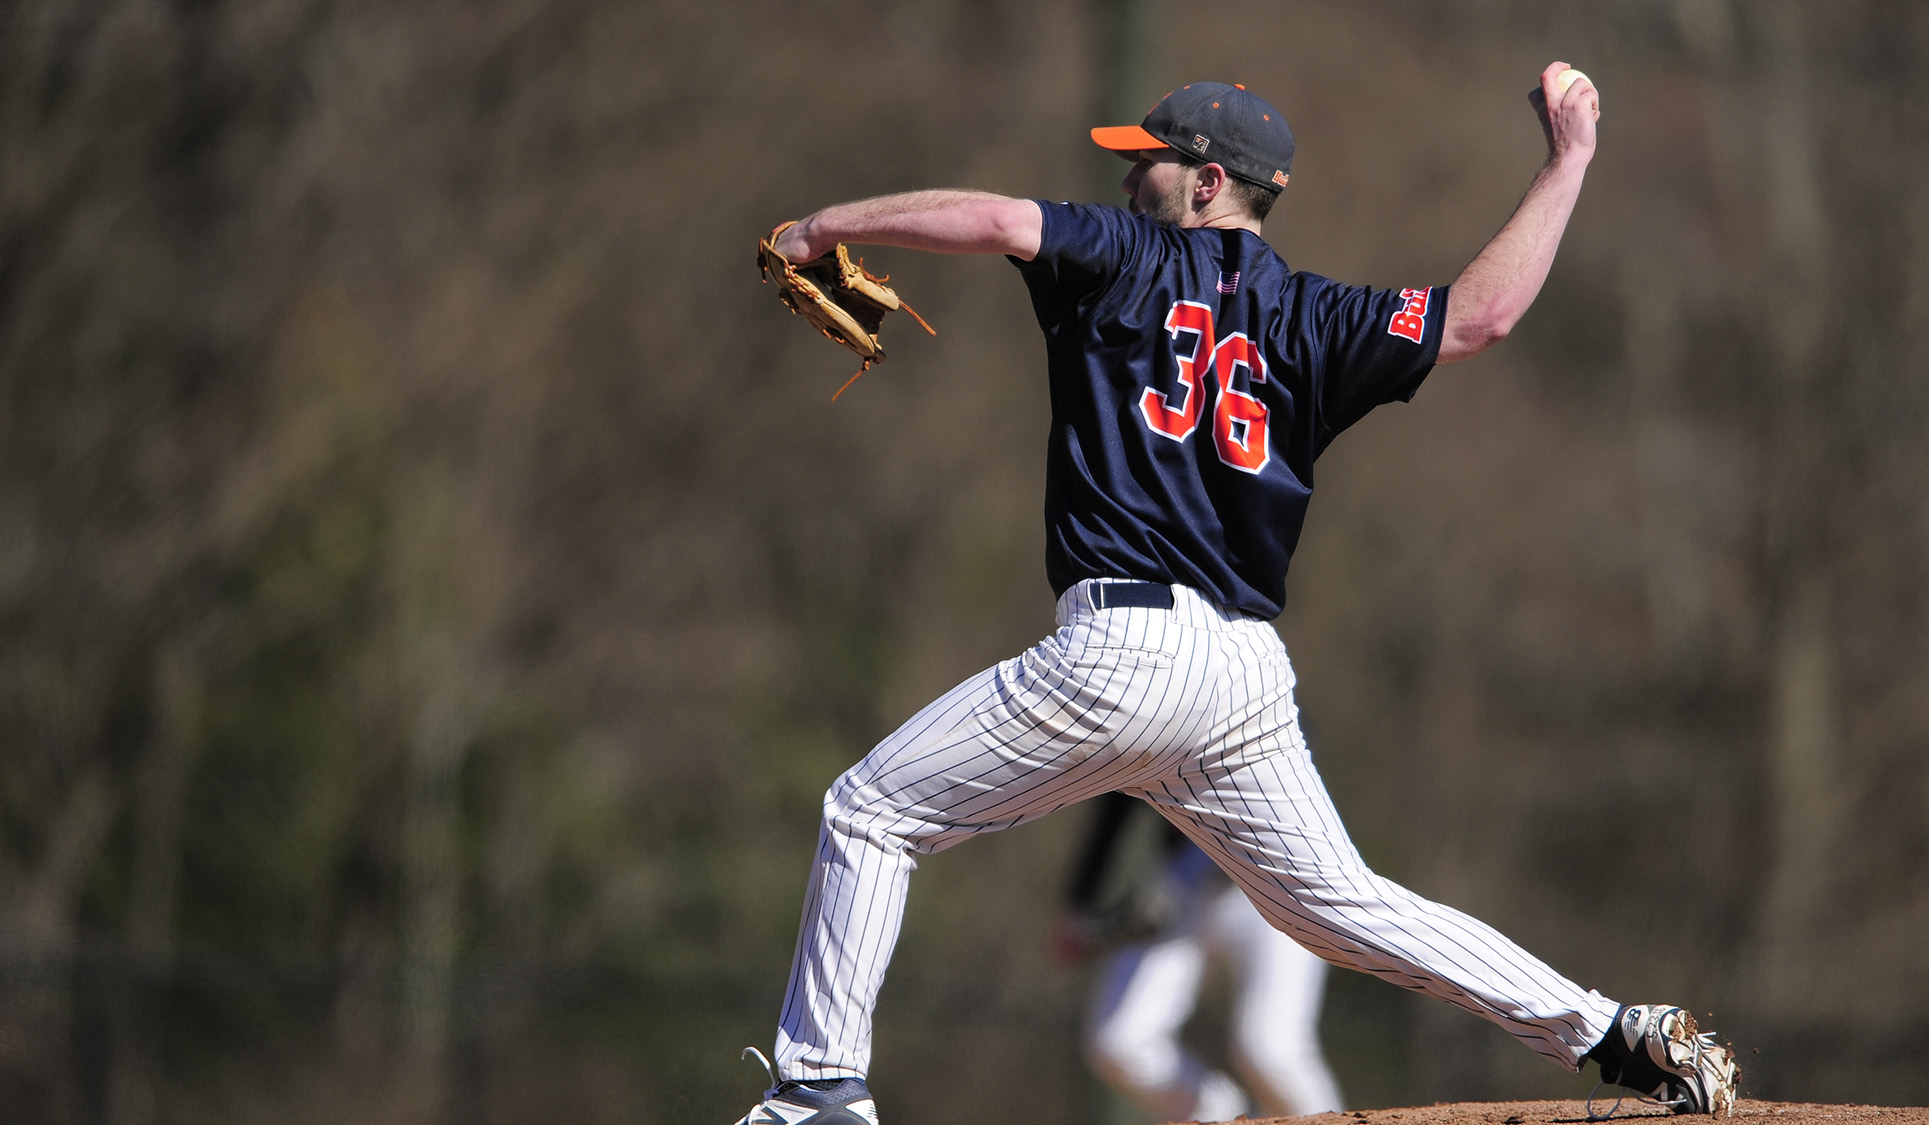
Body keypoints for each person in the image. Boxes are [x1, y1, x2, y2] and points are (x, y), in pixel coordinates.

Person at [730, 64, 1740, 1125]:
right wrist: (1568, 160)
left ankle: (818, 1093)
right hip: (1242, 678)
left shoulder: (1123, 252)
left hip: (1122, 648)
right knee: (1341, 906)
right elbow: (1479, 317)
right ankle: (1611, 1030)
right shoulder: (1316, 315)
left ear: (1208, 183)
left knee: (871, 811)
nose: (1129, 178)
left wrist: (823, 225)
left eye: (1149, 162)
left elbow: (996, 220)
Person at [1054, 794, 1345, 1122]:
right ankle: (1223, 1116)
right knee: (1120, 1045)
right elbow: (1117, 795)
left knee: (1270, 1052)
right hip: (1185, 874)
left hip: (1273, 868)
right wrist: (1080, 899)